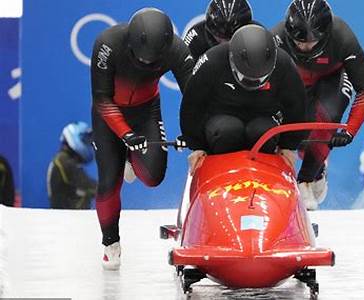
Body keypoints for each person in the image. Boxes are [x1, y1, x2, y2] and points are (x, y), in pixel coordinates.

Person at [91, 7, 194, 270]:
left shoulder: (177, 50)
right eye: (142, 59)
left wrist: (193, 133)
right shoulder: (107, 44)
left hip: (146, 110)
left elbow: (195, 96)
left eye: (153, 61)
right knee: (108, 183)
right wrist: (125, 134)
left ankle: (131, 159)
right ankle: (110, 242)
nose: (147, 65)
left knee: (153, 176)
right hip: (110, 115)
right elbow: (101, 98)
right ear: (131, 44)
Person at [272, 0, 364, 210]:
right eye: (300, 42)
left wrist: (350, 130)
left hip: (331, 79)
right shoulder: (275, 39)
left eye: (312, 42)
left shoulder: (343, 37)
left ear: (327, 34)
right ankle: (282, 177)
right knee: (279, 119)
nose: (306, 47)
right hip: (294, 81)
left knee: (328, 114)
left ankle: (307, 179)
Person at [180, 24, 307, 172]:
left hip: (264, 117)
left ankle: (265, 173)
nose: (253, 83)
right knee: (227, 131)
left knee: (263, 133)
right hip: (222, 117)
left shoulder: (284, 64)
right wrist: (197, 147)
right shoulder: (212, 61)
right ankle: (221, 171)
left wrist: (288, 146)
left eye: (259, 79)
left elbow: (297, 105)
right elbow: (192, 104)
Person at [47, 122, 97, 209]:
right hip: (67, 218)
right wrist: (109, 190)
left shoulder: (62, 159)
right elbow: (88, 185)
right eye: (85, 141)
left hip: (65, 216)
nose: (88, 145)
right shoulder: (64, 160)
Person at [183, 0, 254, 61]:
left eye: (230, 39)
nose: (224, 44)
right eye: (220, 38)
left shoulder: (256, 36)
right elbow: (185, 72)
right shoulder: (195, 37)